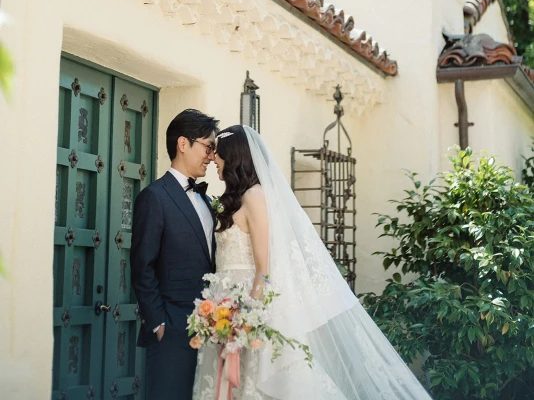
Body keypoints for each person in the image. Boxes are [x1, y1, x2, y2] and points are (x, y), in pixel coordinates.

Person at [194, 125, 431, 400]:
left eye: (219, 153)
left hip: (248, 306)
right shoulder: (235, 199)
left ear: (234, 156)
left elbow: (264, 269)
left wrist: (246, 319)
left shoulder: (255, 197)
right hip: (225, 305)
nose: (214, 158)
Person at [131, 108, 219, 400]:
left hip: (211, 330)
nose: (211, 156)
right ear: (183, 144)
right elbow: (142, 266)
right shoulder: (154, 197)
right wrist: (159, 323)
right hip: (172, 331)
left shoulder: (207, 200)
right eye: (208, 147)